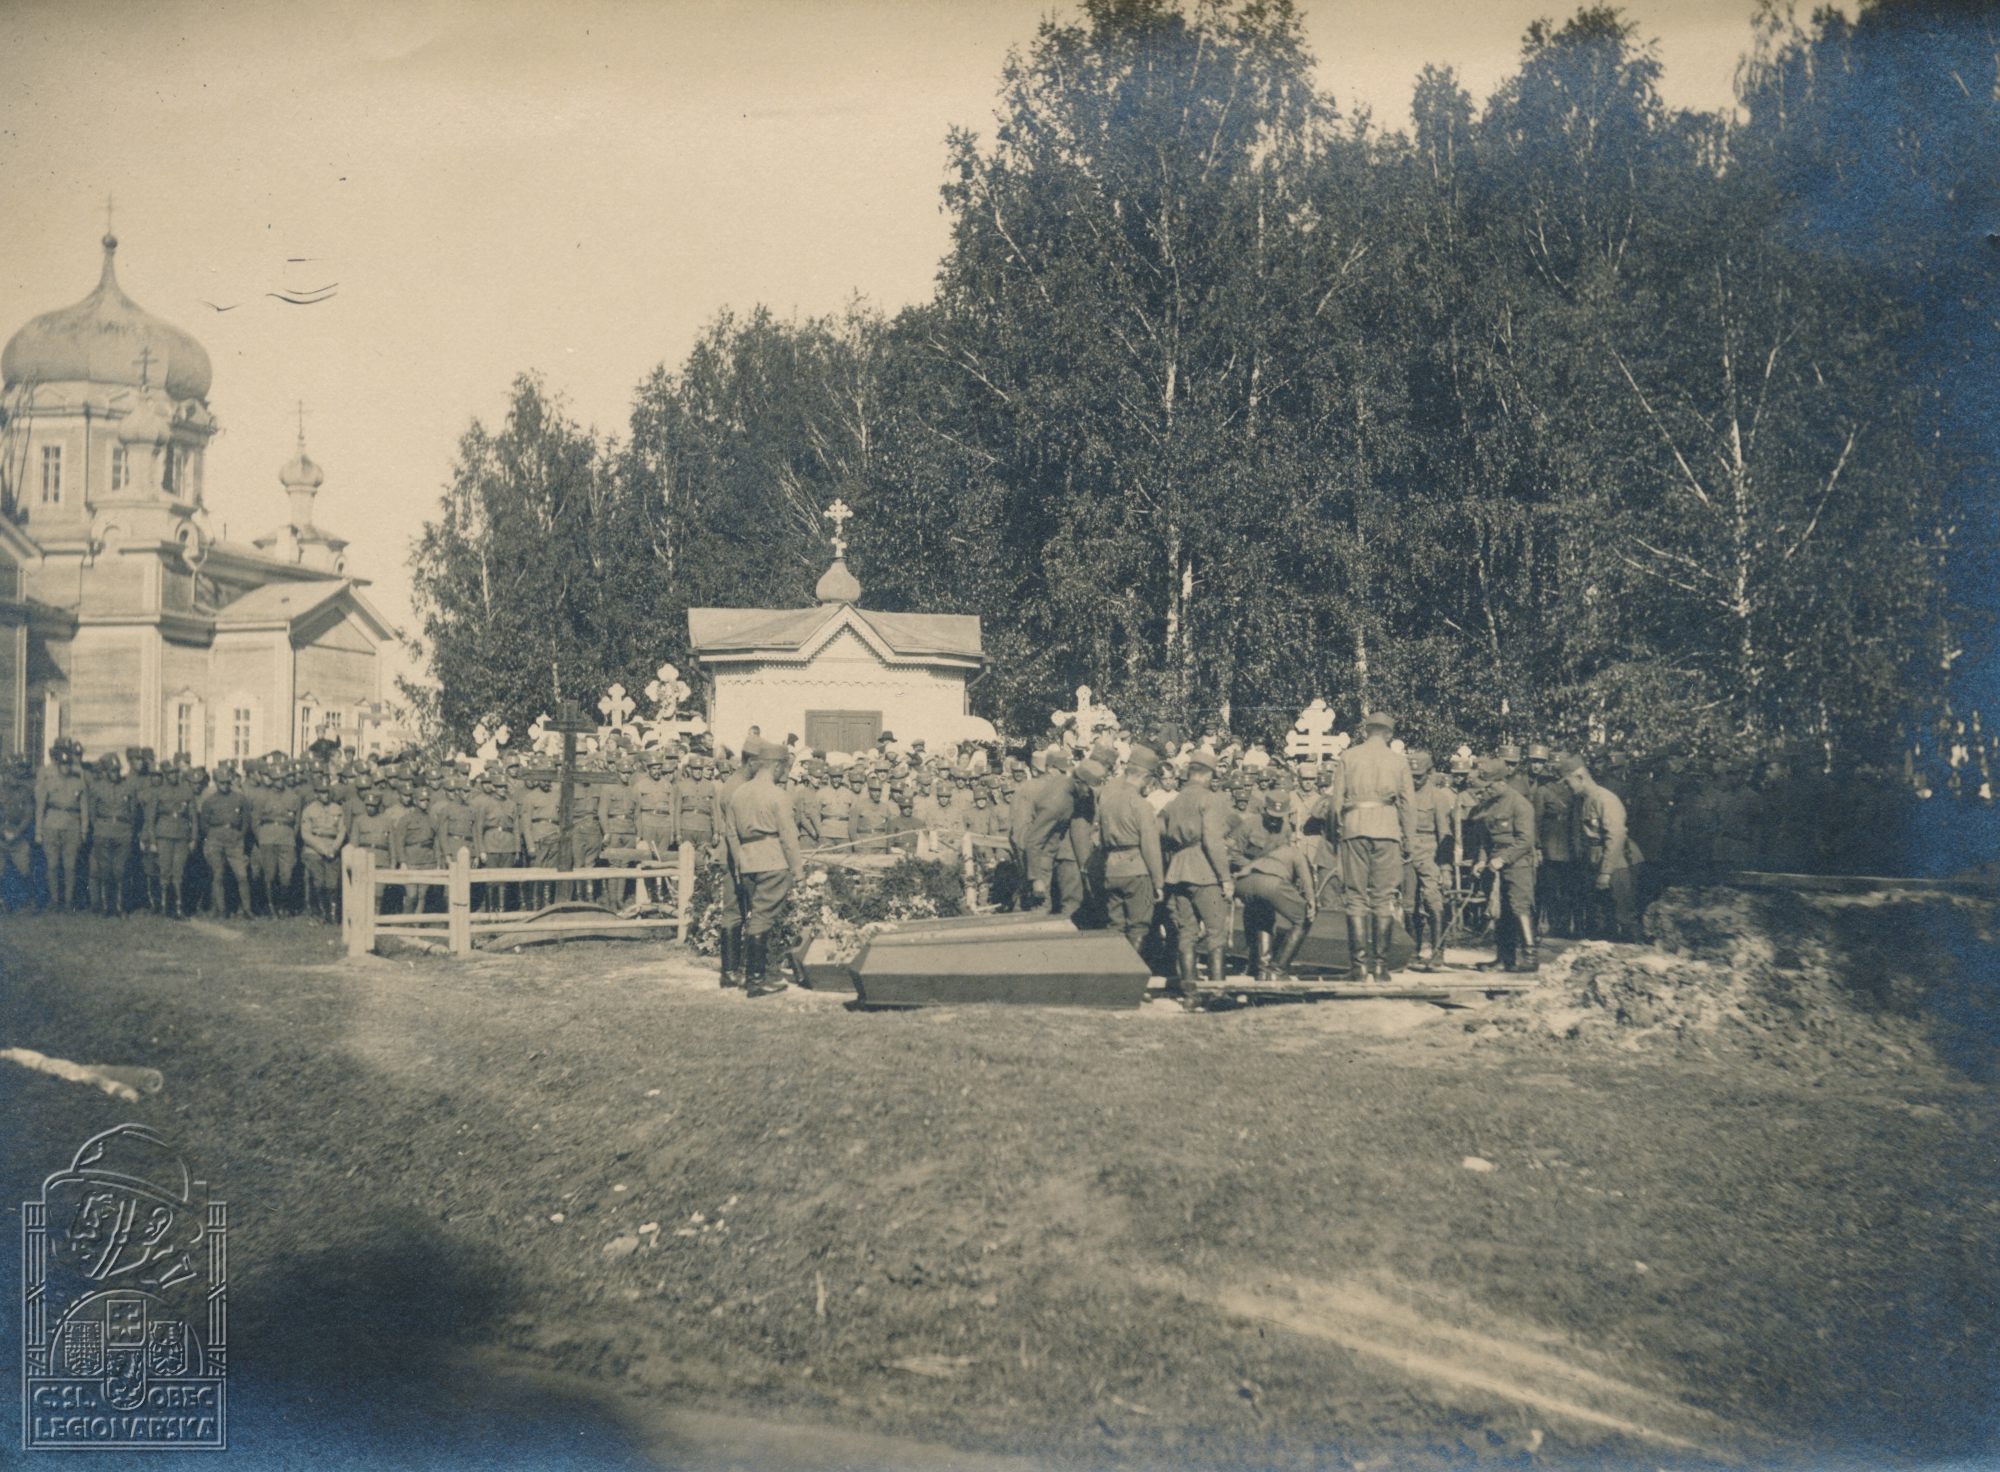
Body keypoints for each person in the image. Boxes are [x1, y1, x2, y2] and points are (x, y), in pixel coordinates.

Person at [720, 735, 802, 997]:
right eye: (784, 768)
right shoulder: (779, 796)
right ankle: (756, 980)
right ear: (776, 766)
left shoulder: (739, 793)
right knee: (762, 917)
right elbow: (788, 837)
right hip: (773, 861)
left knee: (752, 915)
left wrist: (739, 862)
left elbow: (731, 832)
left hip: (747, 862)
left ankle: (745, 973)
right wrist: (798, 871)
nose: (784, 773)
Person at [1336, 711, 1414, 983]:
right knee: (1383, 898)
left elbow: (1335, 803)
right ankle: (1380, 968)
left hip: (1354, 828)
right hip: (1388, 830)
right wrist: (1409, 840)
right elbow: (1408, 804)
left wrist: (1338, 831)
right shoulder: (1399, 761)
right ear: (1389, 735)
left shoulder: (1348, 756)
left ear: (1366, 731)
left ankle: (1358, 967)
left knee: (1356, 896)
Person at [1157, 748, 1235, 998]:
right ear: (1208, 775)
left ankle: (1190, 995)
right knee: (1216, 932)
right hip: (1204, 870)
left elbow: (1159, 830)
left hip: (1178, 870)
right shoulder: (1209, 799)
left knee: (1187, 933)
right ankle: (1218, 993)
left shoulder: (1174, 801)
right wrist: (1225, 878)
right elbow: (1212, 841)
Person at [1234, 793, 1317, 980]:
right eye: (1272, 816)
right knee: (1302, 917)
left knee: (1265, 918)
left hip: (1249, 880)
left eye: (1279, 817)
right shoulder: (1249, 824)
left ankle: (1262, 969)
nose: (1275, 821)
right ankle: (1277, 970)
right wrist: (1311, 900)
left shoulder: (1285, 828)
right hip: (1255, 876)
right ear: (1264, 810)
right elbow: (1231, 852)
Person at [1561, 753, 1641, 941]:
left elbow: (1615, 837)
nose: (1566, 787)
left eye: (1568, 782)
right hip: (1596, 863)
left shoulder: (1605, 799)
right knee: (1601, 919)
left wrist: (1606, 872)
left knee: (1623, 917)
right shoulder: (1583, 800)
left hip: (1618, 865)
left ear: (1580, 777)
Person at [1095, 744, 1163, 961]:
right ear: (1145, 777)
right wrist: (1158, 882)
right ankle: (1132, 973)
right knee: (1138, 926)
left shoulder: (1107, 799)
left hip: (1111, 868)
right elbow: (1150, 846)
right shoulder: (1141, 805)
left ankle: (1115, 973)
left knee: (1115, 925)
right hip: (1135, 870)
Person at [1470, 756, 1539, 972]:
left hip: (1517, 863)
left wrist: (1504, 859)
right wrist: (1482, 860)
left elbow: (1525, 840)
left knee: (1519, 907)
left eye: (1489, 786)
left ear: (1501, 782)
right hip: (1494, 863)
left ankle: (1530, 957)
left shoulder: (1520, 804)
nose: (1485, 790)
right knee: (1501, 912)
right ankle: (1504, 958)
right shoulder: (1488, 805)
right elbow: (1485, 840)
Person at [1404, 750, 1456, 972]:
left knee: (1433, 902)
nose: (1415, 780)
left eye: (1419, 776)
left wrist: (1445, 869)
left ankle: (1437, 952)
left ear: (1429, 772)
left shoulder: (1438, 797)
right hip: (1406, 854)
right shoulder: (1403, 795)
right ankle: (1411, 951)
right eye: (1411, 776)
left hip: (1430, 854)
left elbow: (1445, 834)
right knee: (1408, 906)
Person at [36, 743, 90, 912]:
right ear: (58, 765)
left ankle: (68, 901)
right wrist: (38, 831)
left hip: (72, 827)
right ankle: (54, 900)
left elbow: (84, 809)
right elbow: (40, 808)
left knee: (70, 866)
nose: (66, 767)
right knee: (52, 865)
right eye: (63, 764)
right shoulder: (48, 782)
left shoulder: (79, 783)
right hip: (51, 825)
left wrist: (84, 830)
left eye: (68, 764)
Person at [146, 764, 200, 919]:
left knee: (179, 872)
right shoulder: (158, 792)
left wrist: (194, 838)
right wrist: (153, 841)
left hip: (182, 836)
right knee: (164, 871)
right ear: (165, 775)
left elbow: (193, 818)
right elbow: (151, 819)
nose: (173, 776)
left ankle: (178, 907)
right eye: (170, 773)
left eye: (176, 773)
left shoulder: (186, 791)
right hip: (163, 835)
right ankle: (164, 906)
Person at [85, 755, 138, 915]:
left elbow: (133, 812)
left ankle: (119, 906)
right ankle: (106, 906)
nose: (115, 774)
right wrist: (99, 827)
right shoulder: (96, 787)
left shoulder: (128, 787)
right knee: (105, 869)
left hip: (123, 832)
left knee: (120, 870)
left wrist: (128, 828)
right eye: (112, 771)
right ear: (106, 772)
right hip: (103, 831)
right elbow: (92, 812)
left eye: (117, 770)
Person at [197, 767, 253, 918]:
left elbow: (246, 820)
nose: (225, 786)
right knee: (218, 874)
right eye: (222, 783)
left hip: (234, 839)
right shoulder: (209, 801)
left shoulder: (240, 798)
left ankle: (247, 909)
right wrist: (213, 835)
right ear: (216, 782)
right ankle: (221, 910)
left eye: (228, 782)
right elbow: (204, 823)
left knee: (242, 875)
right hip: (215, 839)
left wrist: (240, 835)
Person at [299, 779, 348, 923]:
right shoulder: (309, 810)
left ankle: (332, 915)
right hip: (314, 849)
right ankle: (321, 912)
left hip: (333, 847)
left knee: (332, 884)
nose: (325, 795)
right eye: (321, 792)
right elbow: (305, 834)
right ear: (316, 794)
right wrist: (322, 848)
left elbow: (342, 831)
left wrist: (335, 847)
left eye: (327, 792)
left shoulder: (337, 809)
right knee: (319, 882)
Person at [1, 754, 36, 910]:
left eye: (15, 774)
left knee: (25, 868)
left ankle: (28, 900)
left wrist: (17, 832)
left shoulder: (24, 791)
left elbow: (28, 815)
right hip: (1, 835)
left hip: (18, 835)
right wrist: (3, 831)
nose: (12, 778)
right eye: (9, 774)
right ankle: (4, 901)